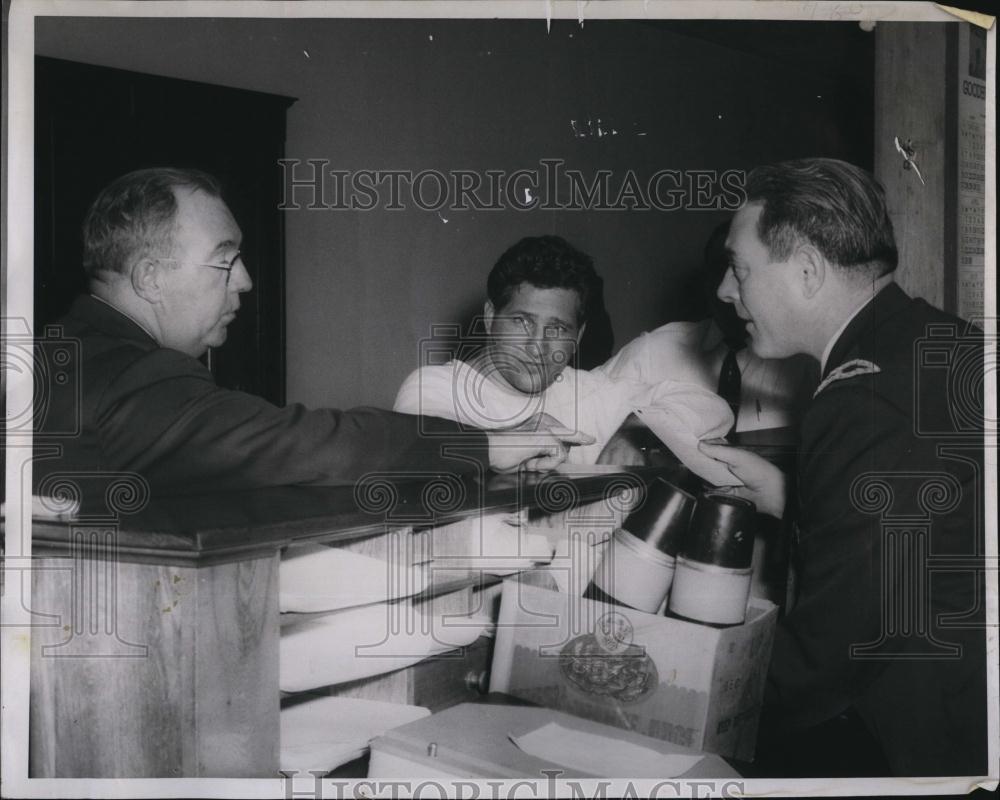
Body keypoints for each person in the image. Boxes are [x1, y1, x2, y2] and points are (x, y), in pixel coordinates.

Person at [33, 168, 587, 494]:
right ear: (150, 277)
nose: (246, 281)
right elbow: (307, 444)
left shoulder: (70, 351)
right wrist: (487, 442)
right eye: (225, 261)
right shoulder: (129, 376)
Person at [699, 158, 986, 777]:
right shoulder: (939, 340)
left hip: (918, 744)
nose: (726, 291)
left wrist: (689, 694)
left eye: (739, 268)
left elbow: (830, 657)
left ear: (806, 271)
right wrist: (788, 493)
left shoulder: (861, 403)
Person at [393, 235, 732, 465]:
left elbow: (712, 409)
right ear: (490, 316)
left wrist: (637, 432)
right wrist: (513, 437)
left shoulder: (587, 392)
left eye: (556, 329)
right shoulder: (436, 388)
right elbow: (427, 452)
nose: (537, 346)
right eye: (523, 322)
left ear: (579, 335)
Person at [600, 220, 818, 433]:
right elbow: (581, 405)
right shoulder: (654, 351)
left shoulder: (805, 364)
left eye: (739, 272)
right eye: (717, 270)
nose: (724, 290)